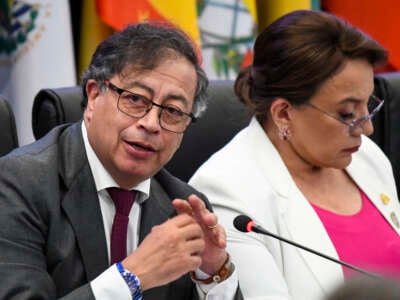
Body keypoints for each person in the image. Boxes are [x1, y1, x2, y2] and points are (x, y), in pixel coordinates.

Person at [0, 22, 242, 300]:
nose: (151, 124)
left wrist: (212, 273)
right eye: (135, 99)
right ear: (93, 96)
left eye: (173, 111)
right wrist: (132, 276)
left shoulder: (184, 206)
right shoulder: (17, 185)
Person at [189, 9, 400, 300]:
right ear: (284, 114)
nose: (368, 129)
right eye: (349, 113)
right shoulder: (227, 193)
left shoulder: (366, 158)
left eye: (369, 105)